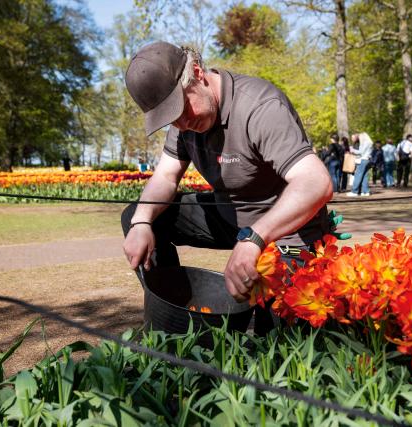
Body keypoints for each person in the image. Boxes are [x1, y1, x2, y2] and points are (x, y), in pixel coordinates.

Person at [121, 42, 334, 333]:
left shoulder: (259, 106)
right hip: (229, 217)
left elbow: (316, 182)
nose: (182, 123)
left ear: (197, 73)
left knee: (270, 335)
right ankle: (175, 316)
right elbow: (165, 178)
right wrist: (142, 222)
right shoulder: (183, 123)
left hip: (285, 230)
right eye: (171, 117)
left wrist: (253, 240)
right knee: (139, 215)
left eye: (181, 108)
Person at [347, 132, 373, 197]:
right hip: (368, 160)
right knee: (364, 177)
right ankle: (365, 191)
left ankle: (354, 191)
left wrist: (352, 150)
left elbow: (360, 152)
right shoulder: (370, 143)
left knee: (357, 176)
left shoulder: (364, 143)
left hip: (363, 160)